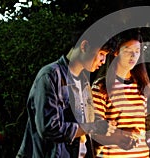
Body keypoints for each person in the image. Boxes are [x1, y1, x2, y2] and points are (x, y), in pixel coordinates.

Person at [16, 27, 115, 158]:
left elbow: (85, 123)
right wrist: (92, 127)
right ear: (84, 46)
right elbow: (49, 128)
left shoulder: (84, 82)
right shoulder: (50, 75)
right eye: (102, 53)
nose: (103, 61)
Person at [91, 29, 150, 157]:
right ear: (116, 52)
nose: (133, 56)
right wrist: (122, 133)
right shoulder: (101, 87)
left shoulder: (141, 86)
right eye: (128, 51)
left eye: (137, 51)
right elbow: (95, 131)